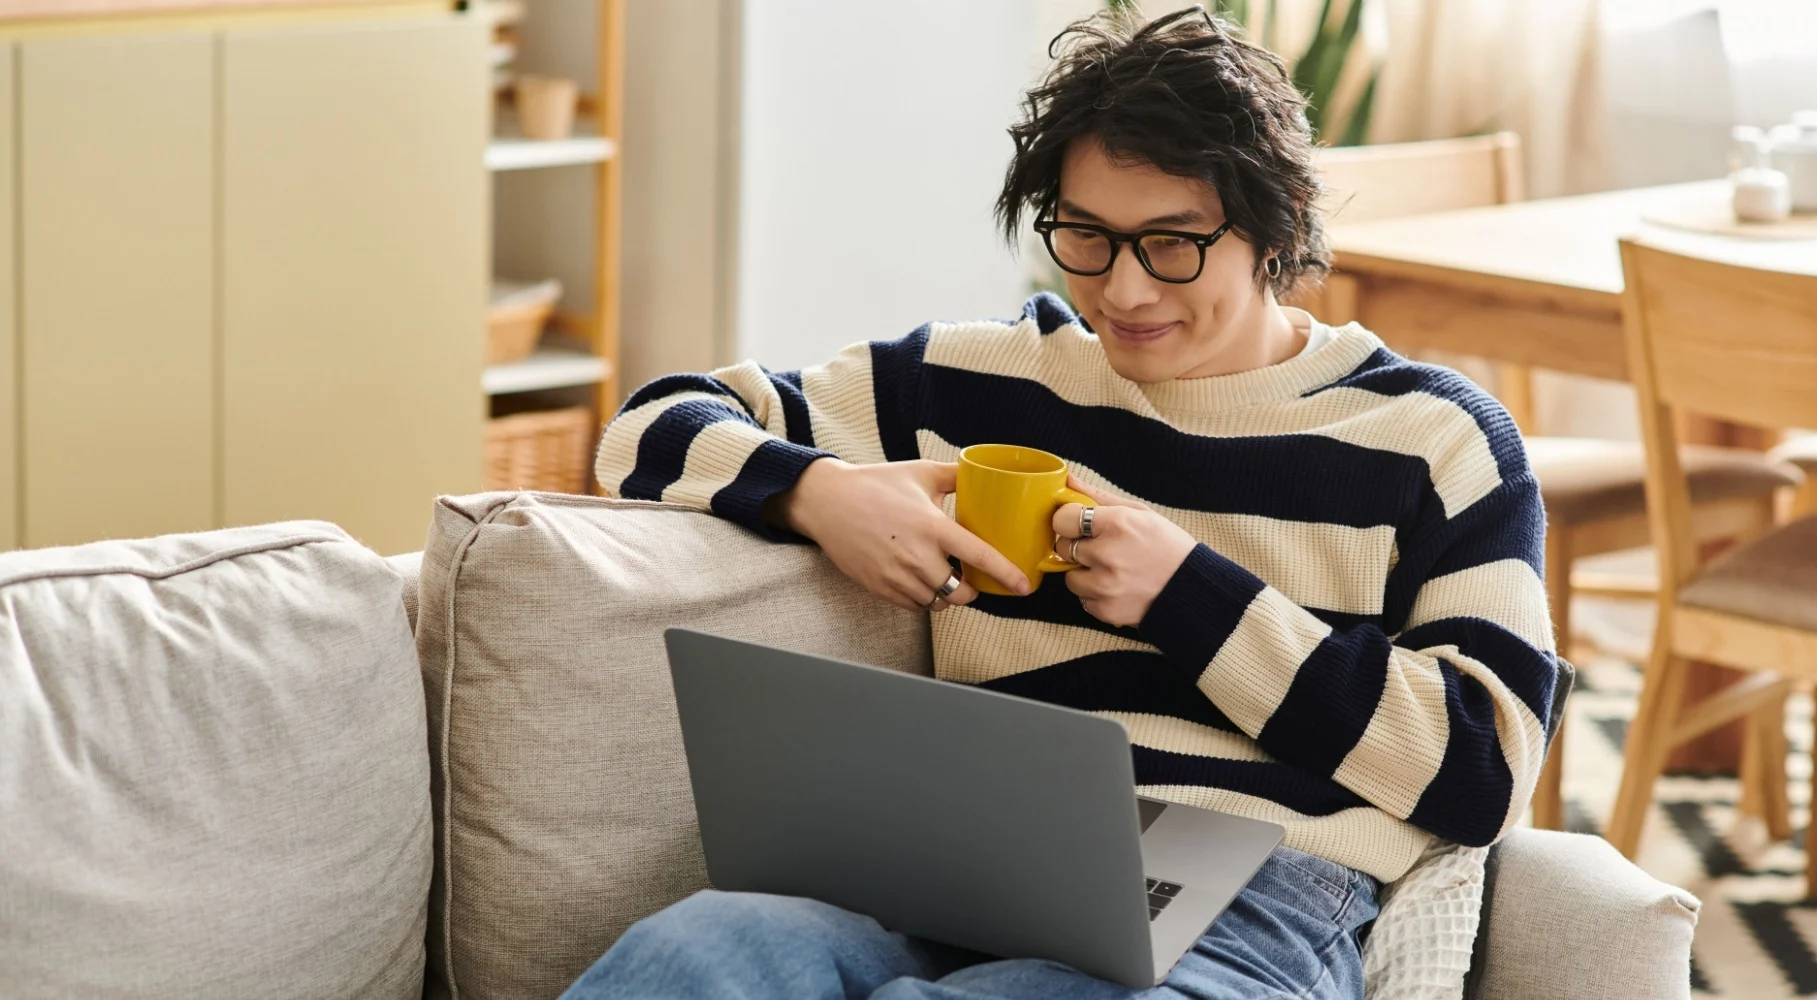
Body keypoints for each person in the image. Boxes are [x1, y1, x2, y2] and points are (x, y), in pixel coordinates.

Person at [570, 7, 1556, 999]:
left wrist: (1192, 598)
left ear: (1274, 226)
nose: (1122, 290)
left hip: (1247, 895)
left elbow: (1481, 775)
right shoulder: (977, 379)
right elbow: (644, 427)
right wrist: (822, 495)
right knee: (691, 953)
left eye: (1171, 244)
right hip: (956, 860)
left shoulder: (1432, 440)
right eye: (1085, 236)